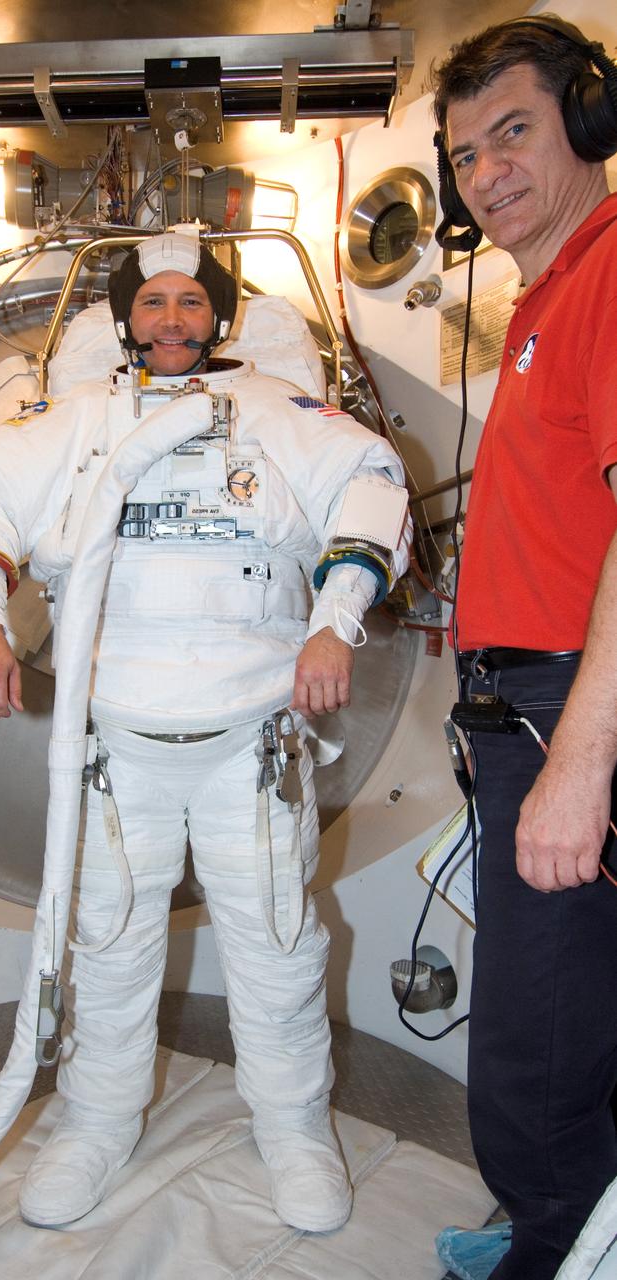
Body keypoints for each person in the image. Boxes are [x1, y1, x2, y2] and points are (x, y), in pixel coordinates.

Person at [0, 230, 410, 1234]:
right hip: (119, 745)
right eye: (152, 301)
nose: (171, 318)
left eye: (190, 301)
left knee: (275, 942)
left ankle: (291, 1127)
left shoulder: (283, 415)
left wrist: (334, 626)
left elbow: (370, 484)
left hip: (250, 740)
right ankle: (95, 1123)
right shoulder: (74, 420)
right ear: (124, 319)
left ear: (219, 318)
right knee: (106, 944)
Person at [430, 16, 617, 1280]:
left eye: (513, 131)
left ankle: (551, 1254)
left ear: (588, 125)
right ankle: (567, 1225)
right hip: (526, 706)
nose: (486, 172)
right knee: (564, 1017)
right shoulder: (544, 299)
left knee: (531, 1037)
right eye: (462, 154)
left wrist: (581, 762)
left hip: (566, 710)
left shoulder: (609, 269)